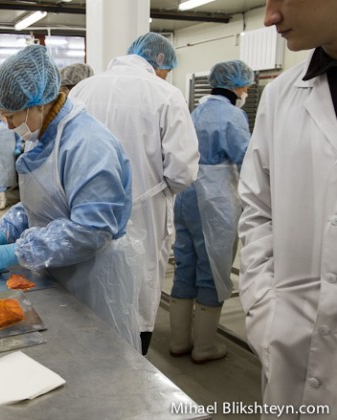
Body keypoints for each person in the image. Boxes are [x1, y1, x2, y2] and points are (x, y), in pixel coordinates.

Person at [0, 44, 143, 351]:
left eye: (11, 116)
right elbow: (47, 200)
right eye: (2, 116)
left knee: (97, 361)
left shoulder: (87, 143)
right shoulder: (41, 134)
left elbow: (92, 229)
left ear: (38, 103)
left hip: (94, 279)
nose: (8, 125)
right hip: (57, 270)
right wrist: (6, 231)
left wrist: (20, 250)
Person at [69, 32, 199, 355]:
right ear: (158, 62)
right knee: (136, 301)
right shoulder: (165, 94)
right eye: (168, 68)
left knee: (88, 302)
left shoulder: (83, 89)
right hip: (144, 216)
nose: (167, 74)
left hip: (84, 216)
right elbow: (182, 171)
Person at [238, 1, 337, 417]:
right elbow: (257, 208)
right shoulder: (281, 94)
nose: (269, 17)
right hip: (289, 350)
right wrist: (265, 312)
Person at [170, 60, 254, 364]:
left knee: (185, 265)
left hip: (184, 197)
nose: (246, 91)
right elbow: (248, 159)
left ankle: (179, 341)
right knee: (213, 270)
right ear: (237, 86)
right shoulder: (232, 115)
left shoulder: (196, 111)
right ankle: (204, 347)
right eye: (246, 86)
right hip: (213, 199)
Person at [0, 113, 20, 210]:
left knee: (9, 174)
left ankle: (4, 195)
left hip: (9, 151)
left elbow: (18, 135)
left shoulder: (13, 118)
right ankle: (1, 197)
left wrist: (18, 146)